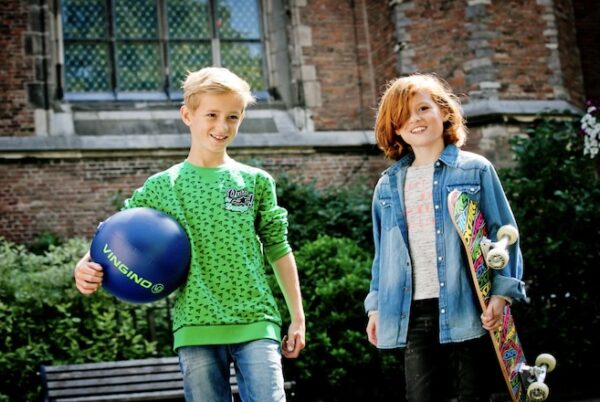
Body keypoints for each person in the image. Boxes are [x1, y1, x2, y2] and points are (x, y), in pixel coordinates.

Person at [74, 67, 306, 402]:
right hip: (196, 325)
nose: (222, 126)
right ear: (187, 115)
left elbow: (278, 247)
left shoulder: (254, 182)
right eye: (212, 114)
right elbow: (115, 231)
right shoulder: (163, 186)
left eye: (232, 117)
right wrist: (85, 264)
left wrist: (297, 318)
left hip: (256, 320)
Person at [364, 73, 526, 402]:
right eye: (404, 115)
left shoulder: (475, 170)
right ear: (395, 128)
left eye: (423, 108)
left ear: (444, 112)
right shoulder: (387, 186)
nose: (415, 119)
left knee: (473, 394)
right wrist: (375, 308)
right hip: (414, 312)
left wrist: (502, 294)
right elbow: (383, 255)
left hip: (470, 304)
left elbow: (505, 233)